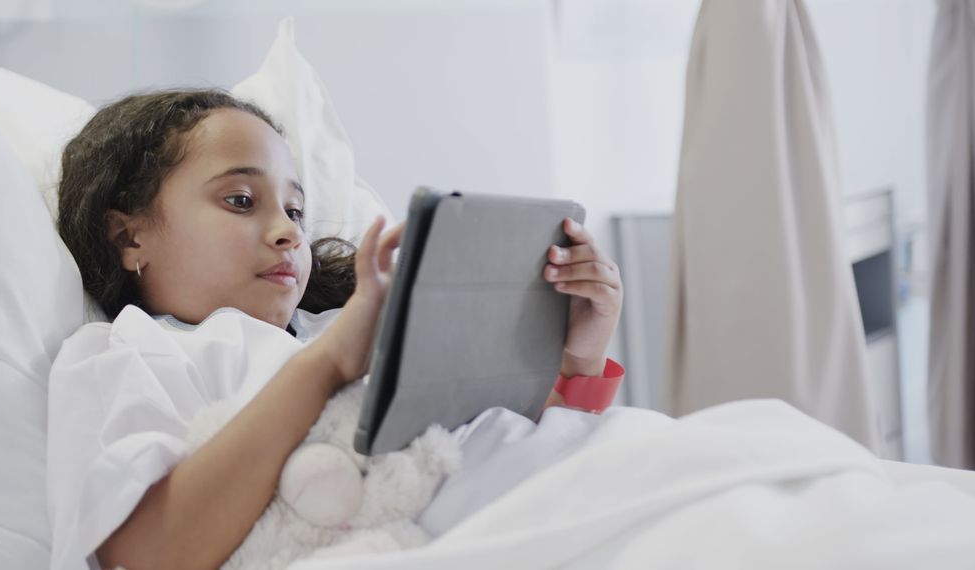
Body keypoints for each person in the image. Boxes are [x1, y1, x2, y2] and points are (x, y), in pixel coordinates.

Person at [48, 88, 624, 570]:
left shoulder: (344, 324)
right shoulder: (123, 355)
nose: (286, 232)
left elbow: (503, 442)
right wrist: (326, 366)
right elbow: (150, 554)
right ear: (130, 238)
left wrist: (579, 357)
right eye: (241, 199)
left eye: (295, 211)